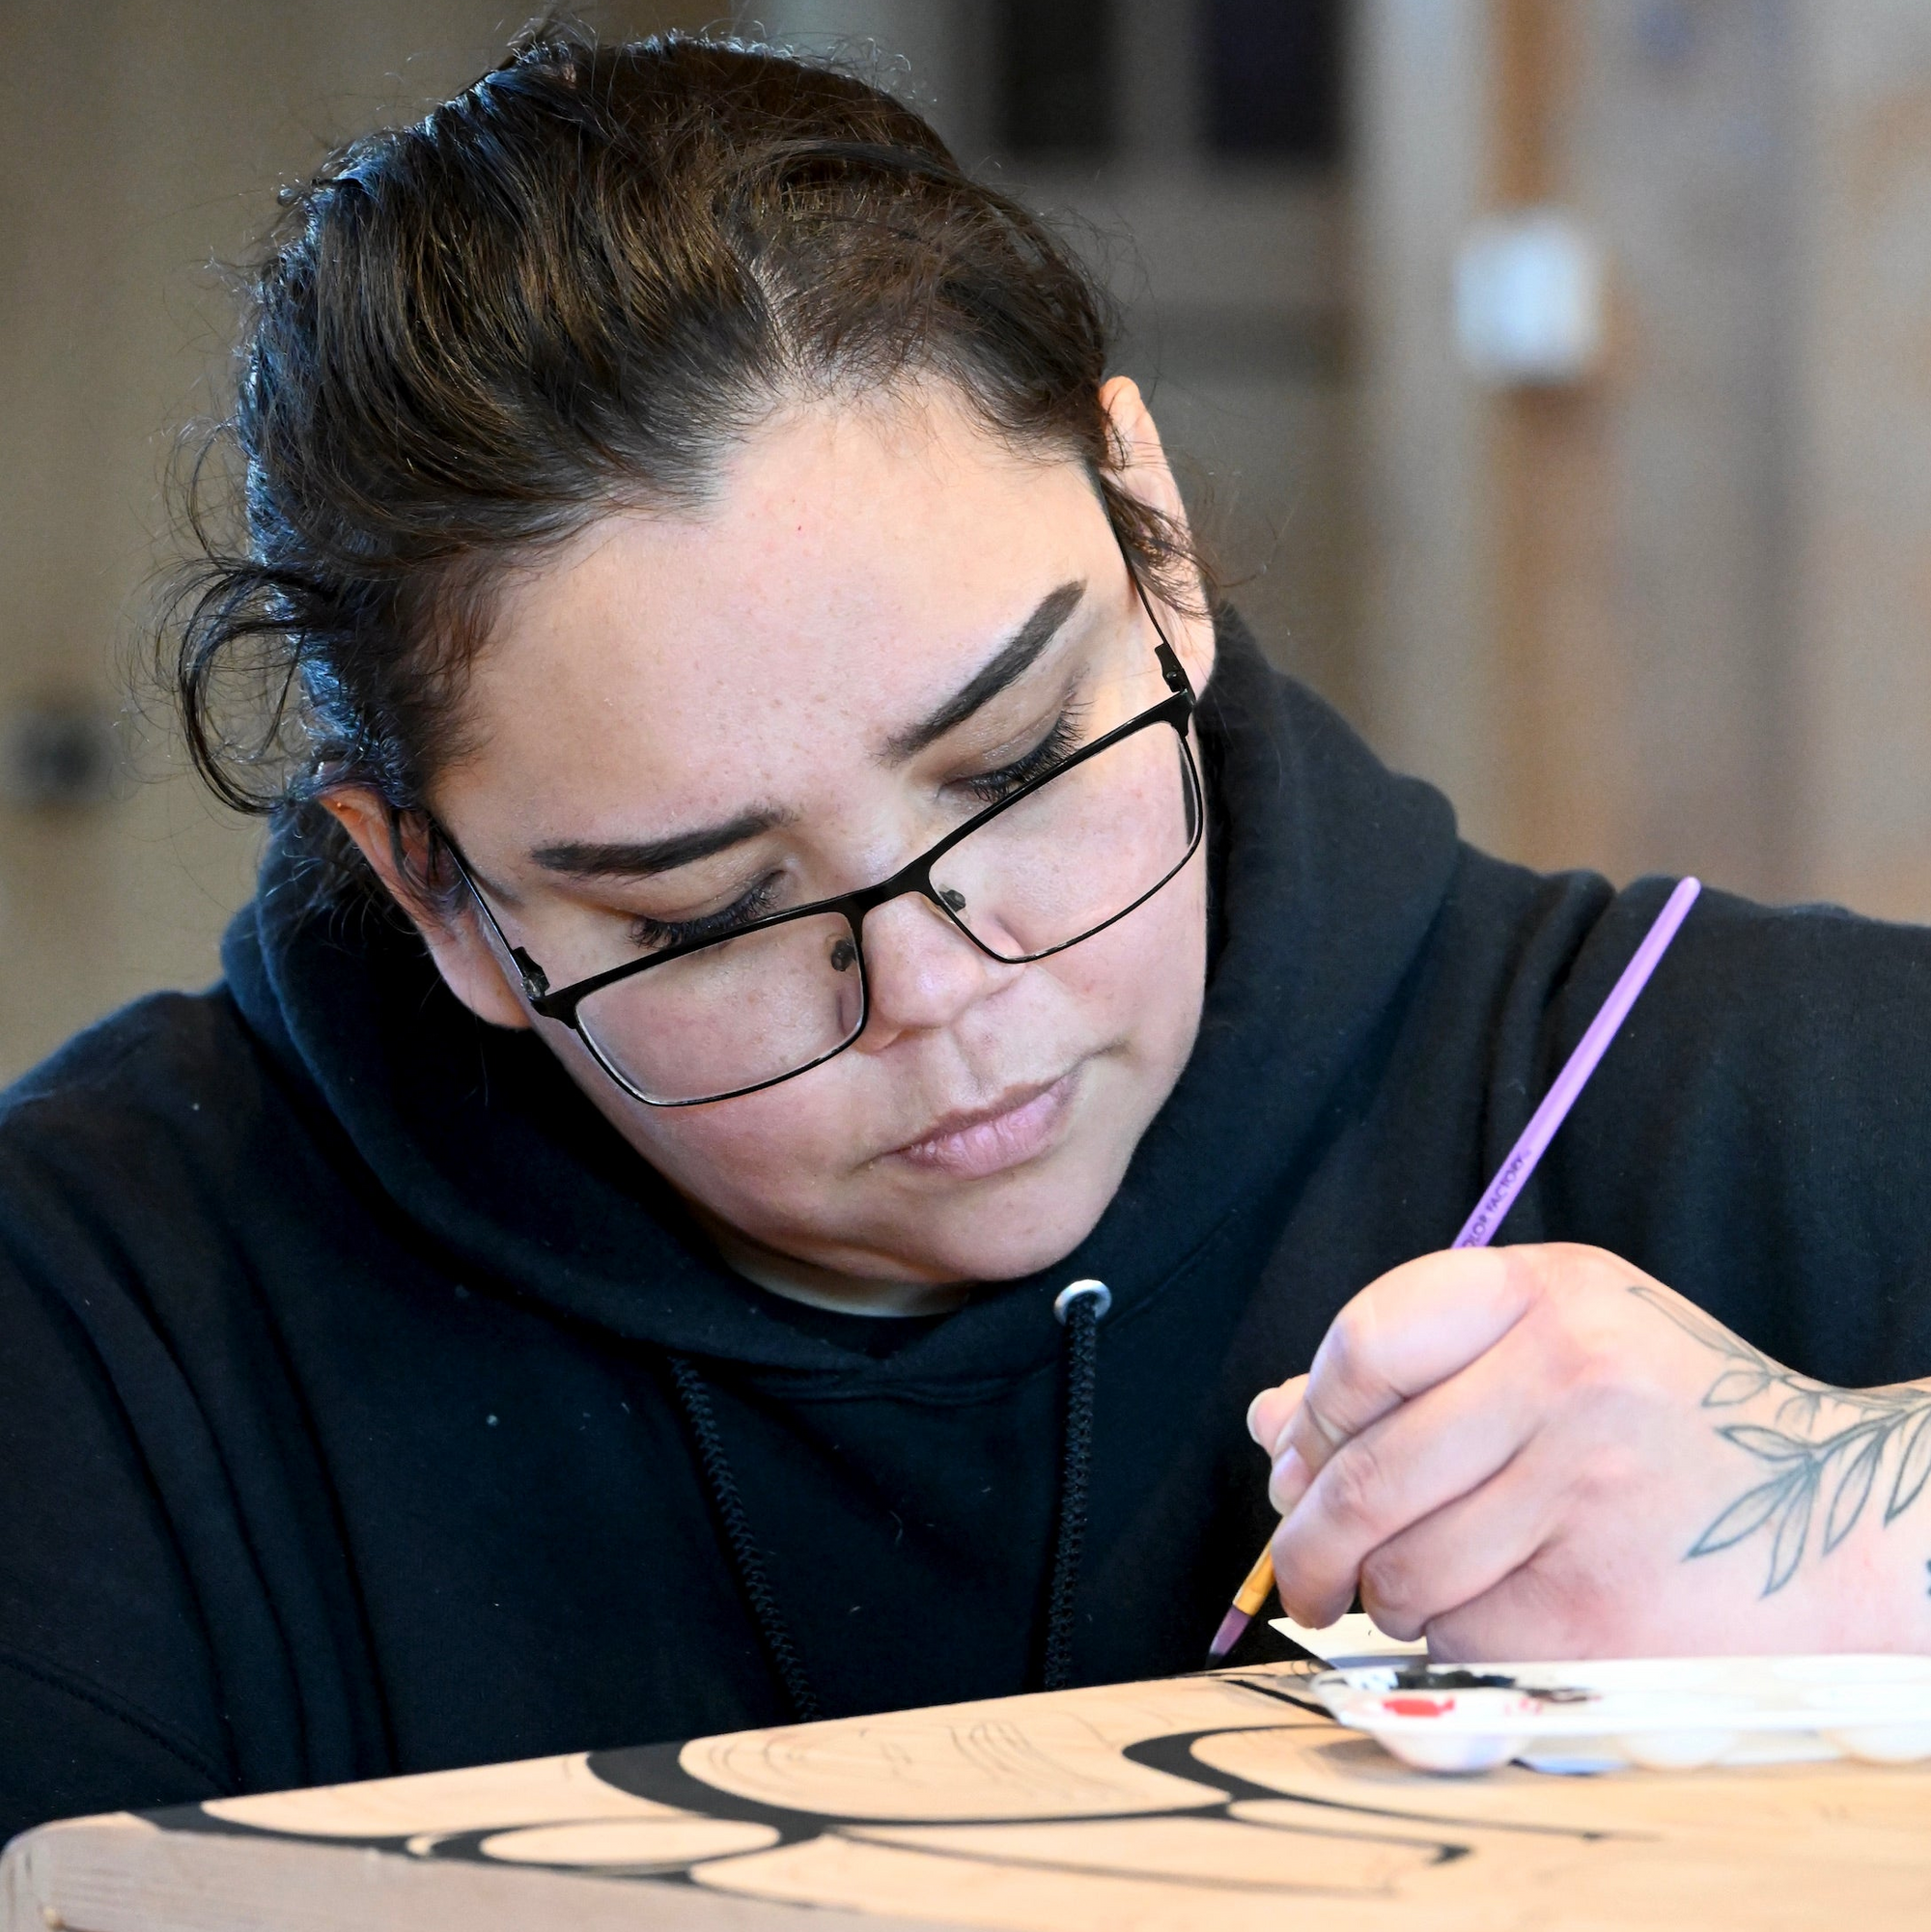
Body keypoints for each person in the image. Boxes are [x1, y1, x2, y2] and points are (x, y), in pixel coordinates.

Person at [3, 19, 1929, 1847]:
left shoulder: (1737, 1080)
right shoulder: (109, 1306)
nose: (943, 997)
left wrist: (1847, 1531)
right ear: (440, 891)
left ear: (1148, 528)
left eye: (1011, 770)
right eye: (709, 911)